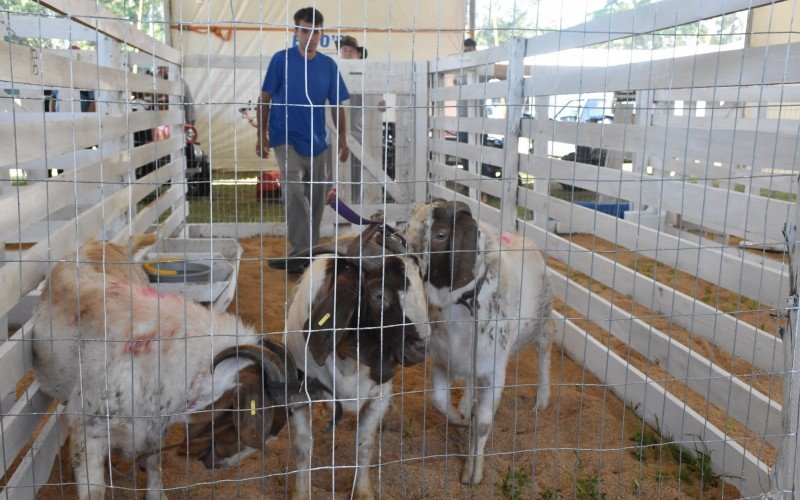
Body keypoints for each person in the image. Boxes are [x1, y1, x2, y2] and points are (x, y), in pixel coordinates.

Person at [257, 7, 350, 274]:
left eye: (315, 31)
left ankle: (307, 251)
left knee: (318, 198)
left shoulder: (328, 66)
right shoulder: (280, 60)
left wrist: (342, 137)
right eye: (304, 30)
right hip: (284, 137)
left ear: (321, 34)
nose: (309, 36)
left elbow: (337, 105)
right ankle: (301, 251)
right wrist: (261, 134)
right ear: (296, 31)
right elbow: (265, 98)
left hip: (318, 142)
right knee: (294, 191)